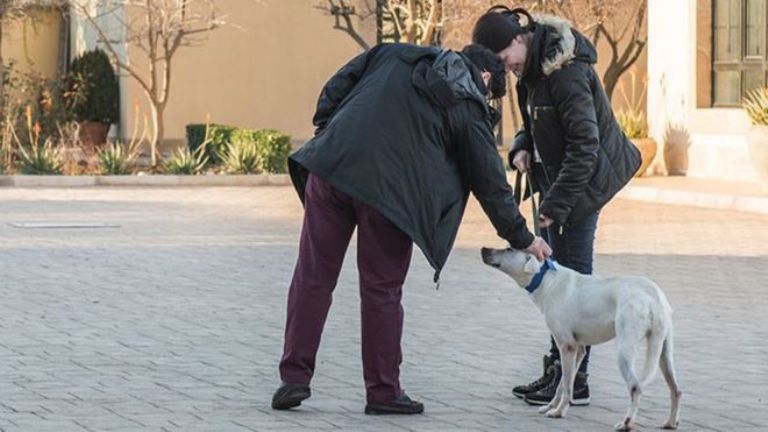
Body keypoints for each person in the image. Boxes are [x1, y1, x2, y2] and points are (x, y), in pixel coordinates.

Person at [271, 42, 552, 415]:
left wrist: (336, 130)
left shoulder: (395, 53)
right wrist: (523, 238)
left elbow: (334, 89)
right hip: (390, 195)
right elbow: (488, 180)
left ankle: (294, 378)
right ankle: (383, 392)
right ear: (485, 76)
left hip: (332, 168)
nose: (487, 101)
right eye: (491, 95)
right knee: (381, 290)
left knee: (313, 276)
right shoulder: (467, 97)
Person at [472, 6, 641, 406]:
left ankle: (574, 380)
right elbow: (531, 125)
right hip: (555, 185)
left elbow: (586, 145)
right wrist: (521, 147)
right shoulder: (528, 76)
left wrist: (557, 206)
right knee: (554, 279)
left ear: (518, 41)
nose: (504, 68)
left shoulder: (566, 72)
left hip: (582, 186)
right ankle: (557, 369)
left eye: (502, 59)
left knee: (574, 278)